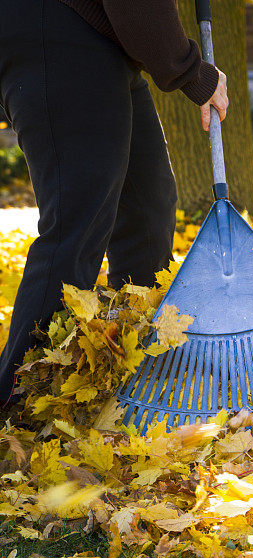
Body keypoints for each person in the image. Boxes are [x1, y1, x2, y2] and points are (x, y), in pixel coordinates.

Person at [0, 0, 229, 405]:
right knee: (76, 228)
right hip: (56, 30)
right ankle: (18, 402)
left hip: (105, 41)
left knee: (147, 206)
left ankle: (133, 368)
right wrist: (192, 73)